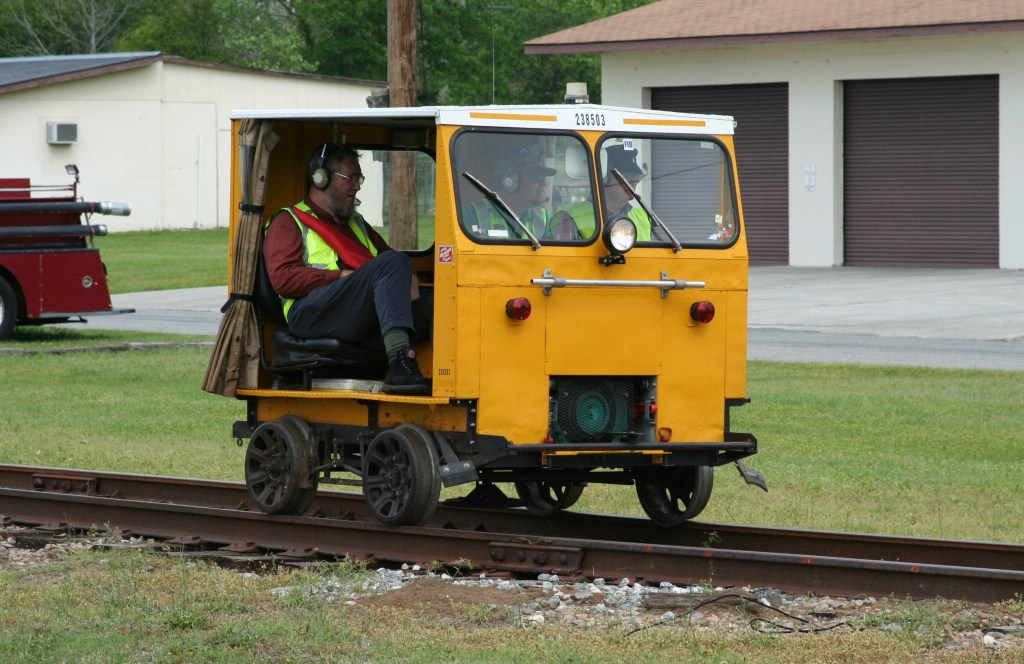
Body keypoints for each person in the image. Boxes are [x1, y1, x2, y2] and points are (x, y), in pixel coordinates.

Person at [262, 143, 432, 395]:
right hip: (310, 312)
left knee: (440, 302)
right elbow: (283, 279)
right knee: (393, 262)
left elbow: (392, 259)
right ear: (320, 178)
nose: (358, 185)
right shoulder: (288, 221)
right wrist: (339, 276)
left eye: (359, 178)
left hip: (355, 315)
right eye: (350, 178)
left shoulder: (357, 224)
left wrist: (412, 277)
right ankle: (400, 362)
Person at [549, 144, 652, 241]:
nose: (634, 181)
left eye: (636, 176)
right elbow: (563, 260)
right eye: (625, 176)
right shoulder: (570, 219)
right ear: (603, 177)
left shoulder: (643, 218)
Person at [463, 144, 555, 239]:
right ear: (510, 181)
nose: (543, 184)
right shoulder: (473, 215)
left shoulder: (545, 220)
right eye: (536, 177)